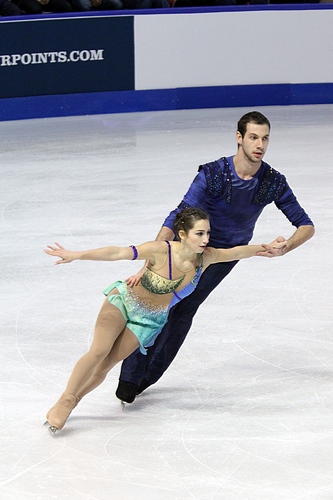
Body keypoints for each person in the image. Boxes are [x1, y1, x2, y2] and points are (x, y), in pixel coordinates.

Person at [116, 110, 315, 405]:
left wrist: (286, 247)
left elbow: (306, 225)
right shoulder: (214, 174)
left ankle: (146, 377)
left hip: (224, 257)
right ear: (239, 138)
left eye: (265, 139)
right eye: (253, 137)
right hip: (189, 248)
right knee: (159, 303)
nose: (259, 144)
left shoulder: (272, 180)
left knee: (184, 309)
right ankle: (130, 376)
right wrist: (157, 250)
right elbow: (179, 213)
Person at [44, 207, 278, 434]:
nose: (206, 238)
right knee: (99, 351)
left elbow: (237, 252)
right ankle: (64, 400)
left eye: (207, 233)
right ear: (183, 235)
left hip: (149, 319)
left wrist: (268, 248)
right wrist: (77, 255)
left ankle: (73, 401)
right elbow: (117, 252)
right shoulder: (160, 250)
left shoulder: (206, 258)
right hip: (125, 301)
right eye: (199, 233)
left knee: (107, 364)